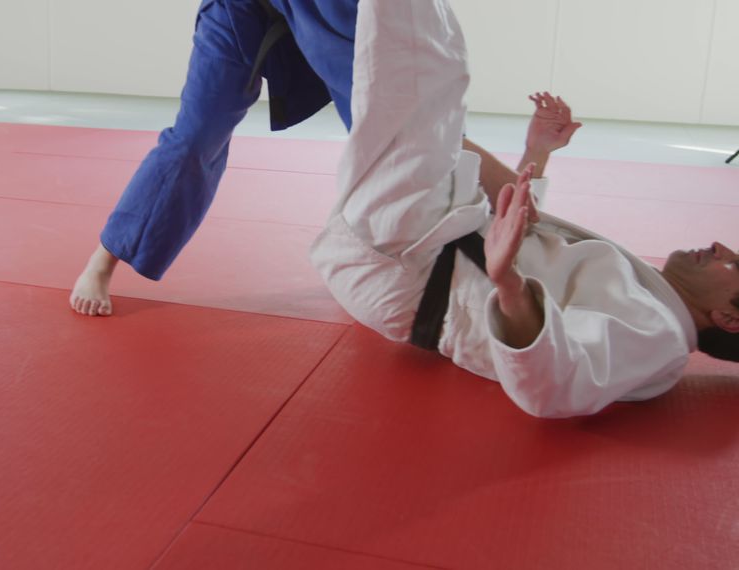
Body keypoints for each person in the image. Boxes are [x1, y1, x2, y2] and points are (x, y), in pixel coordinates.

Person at [311, 2, 739, 418]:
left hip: (414, 267)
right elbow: (529, 239)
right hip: (434, 242)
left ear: (728, 319)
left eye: (735, 266)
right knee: (408, 81)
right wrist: (538, 153)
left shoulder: (658, 340)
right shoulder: (648, 303)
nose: (723, 247)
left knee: (427, 72)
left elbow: (555, 387)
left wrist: (509, 284)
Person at [69, 0, 358, 316]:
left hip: (333, 9)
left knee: (376, 132)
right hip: (237, 8)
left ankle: (368, 263)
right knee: (196, 135)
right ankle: (104, 259)